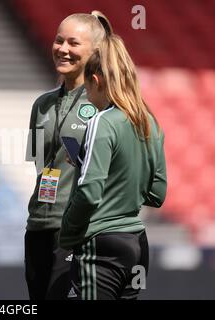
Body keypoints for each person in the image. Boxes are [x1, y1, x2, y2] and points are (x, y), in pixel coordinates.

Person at [59, 17, 167, 300]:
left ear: (95, 80)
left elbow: (90, 191)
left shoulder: (103, 122)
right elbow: (157, 193)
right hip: (137, 246)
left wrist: (67, 234)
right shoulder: (150, 122)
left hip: (101, 245)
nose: (88, 96)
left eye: (88, 88)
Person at [25, 12, 109, 299]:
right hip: (37, 226)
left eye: (73, 43)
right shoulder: (42, 104)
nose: (62, 49)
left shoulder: (103, 104)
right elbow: (38, 163)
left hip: (75, 231)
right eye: (59, 40)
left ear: (94, 52)